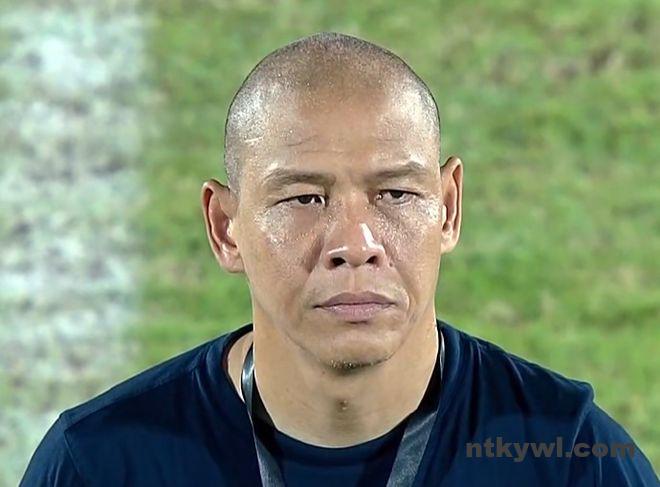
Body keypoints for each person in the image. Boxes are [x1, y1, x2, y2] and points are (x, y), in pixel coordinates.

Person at [21, 32, 657, 487]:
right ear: (225, 229)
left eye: (395, 194)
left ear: (448, 209)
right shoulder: (99, 464)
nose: (355, 242)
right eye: (303, 198)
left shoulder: (571, 459)